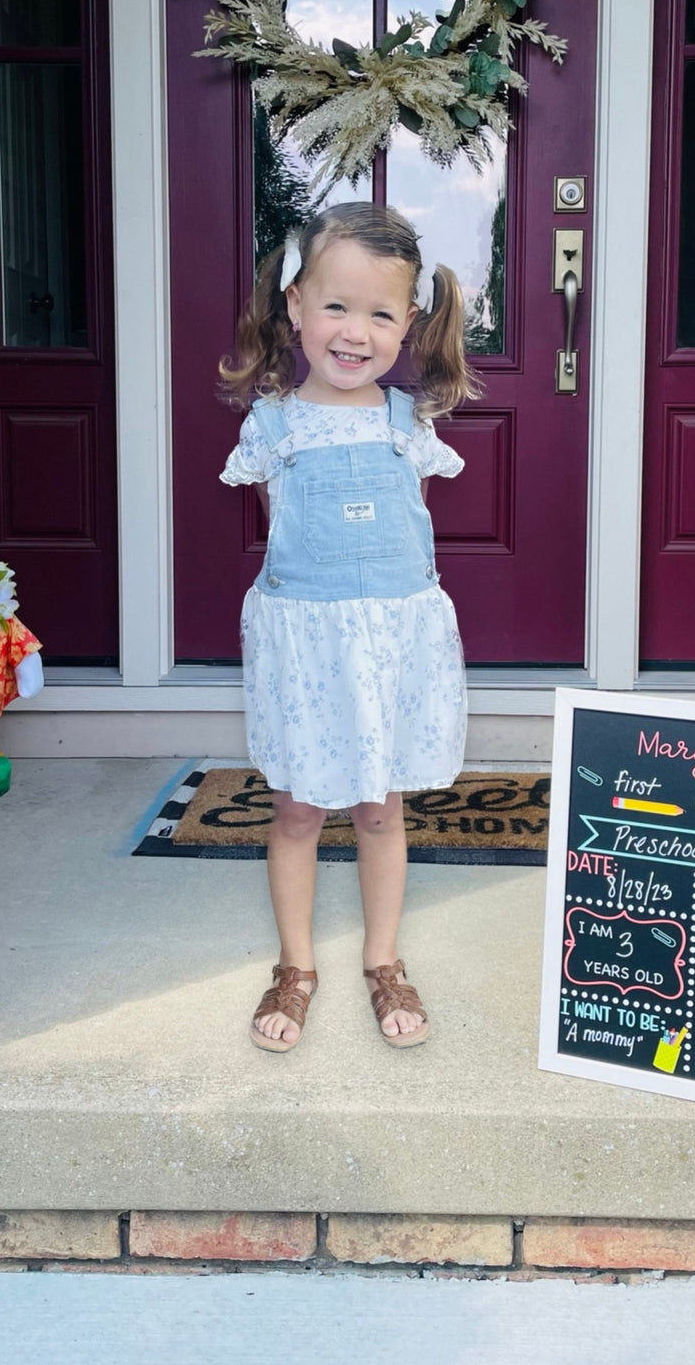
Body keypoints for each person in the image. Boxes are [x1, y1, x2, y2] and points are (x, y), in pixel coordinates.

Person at [219, 201, 481, 1052]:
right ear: (295, 305)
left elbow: (402, 548)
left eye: (380, 313)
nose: (355, 332)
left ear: (409, 321)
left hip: (388, 646)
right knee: (296, 810)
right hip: (308, 645)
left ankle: (383, 959)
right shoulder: (274, 425)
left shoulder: (411, 425)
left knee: (379, 808)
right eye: (336, 306)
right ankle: (295, 965)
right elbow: (289, 540)